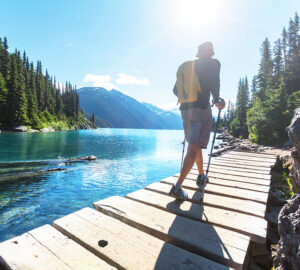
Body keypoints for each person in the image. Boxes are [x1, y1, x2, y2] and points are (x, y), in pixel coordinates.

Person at [170, 42, 225, 200]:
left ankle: (201, 175)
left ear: (198, 53)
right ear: (211, 53)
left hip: (185, 110)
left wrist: (187, 100)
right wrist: (216, 98)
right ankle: (177, 186)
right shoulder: (213, 63)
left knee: (195, 145)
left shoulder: (186, 67)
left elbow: (175, 90)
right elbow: (215, 81)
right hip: (200, 109)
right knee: (194, 148)